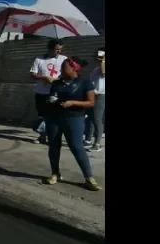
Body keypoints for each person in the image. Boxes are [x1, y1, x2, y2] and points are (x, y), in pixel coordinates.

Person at [42, 57, 102, 191]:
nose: (61, 70)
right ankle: (55, 173)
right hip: (54, 118)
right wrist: (51, 100)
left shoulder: (85, 82)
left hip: (74, 118)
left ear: (74, 68)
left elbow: (91, 102)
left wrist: (73, 103)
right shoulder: (57, 83)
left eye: (64, 67)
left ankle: (89, 177)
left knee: (76, 147)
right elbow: (52, 97)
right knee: (53, 146)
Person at [29, 39, 68, 144]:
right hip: (41, 92)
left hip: (57, 92)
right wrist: (44, 78)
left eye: (60, 49)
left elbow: (68, 74)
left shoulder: (64, 59)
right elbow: (33, 74)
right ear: (50, 48)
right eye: (56, 49)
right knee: (42, 115)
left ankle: (53, 137)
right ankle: (42, 136)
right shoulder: (39, 59)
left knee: (54, 115)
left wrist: (58, 80)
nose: (59, 51)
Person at [84, 48, 105, 152]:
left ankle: (97, 143)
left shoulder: (103, 67)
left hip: (101, 96)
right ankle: (88, 140)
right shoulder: (95, 70)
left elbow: (103, 71)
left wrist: (103, 60)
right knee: (90, 119)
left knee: (97, 119)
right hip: (92, 95)